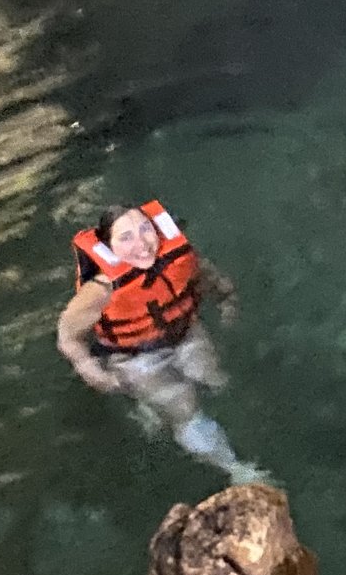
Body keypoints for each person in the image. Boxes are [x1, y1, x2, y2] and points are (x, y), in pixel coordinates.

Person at [55, 200, 268, 483]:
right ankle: (235, 469)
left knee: (217, 380)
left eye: (146, 229)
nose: (142, 243)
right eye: (126, 237)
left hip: (185, 334)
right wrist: (88, 368)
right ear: (110, 248)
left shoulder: (175, 256)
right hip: (134, 356)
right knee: (184, 408)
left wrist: (227, 301)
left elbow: (207, 276)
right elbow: (67, 335)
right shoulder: (101, 290)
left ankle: (154, 406)